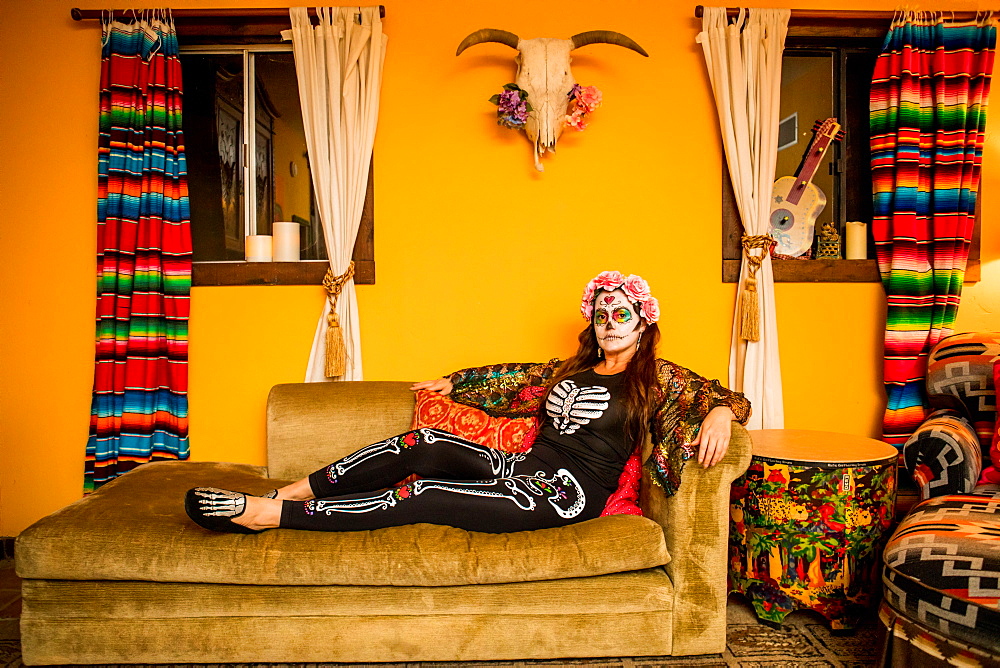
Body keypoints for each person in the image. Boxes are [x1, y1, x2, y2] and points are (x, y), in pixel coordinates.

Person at [185, 271, 751, 534]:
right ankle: (284, 491)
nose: (609, 325)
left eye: (621, 315)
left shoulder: (656, 379)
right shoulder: (569, 369)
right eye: (601, 315)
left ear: (643, 321)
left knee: (424, 491)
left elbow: (725, 396)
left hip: (565, 495)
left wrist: (722, 411)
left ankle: (271, 517)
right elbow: (509, 379)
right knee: (423, 443)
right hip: (524, 468)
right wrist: (454, 384)